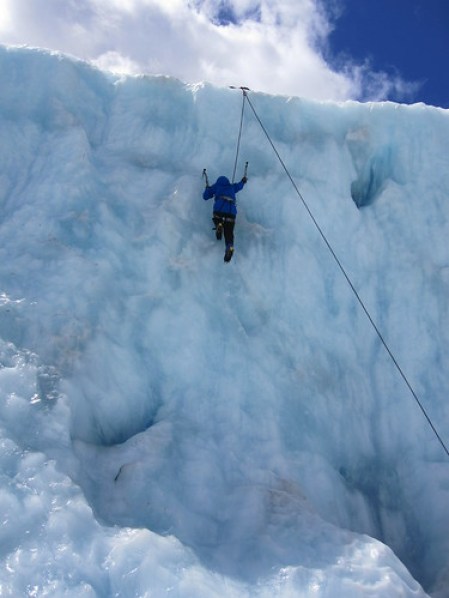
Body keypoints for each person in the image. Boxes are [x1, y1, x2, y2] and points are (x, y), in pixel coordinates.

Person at [202, 174, 248, 262]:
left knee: (217, 218)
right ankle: (229, 246)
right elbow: (239, 186)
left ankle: (219, 224)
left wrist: (207, 188)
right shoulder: (231, 187)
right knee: (229, 231)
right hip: (231, 211)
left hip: (219, 208)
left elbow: (205, 197)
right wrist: (243, 181)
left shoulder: (216, 186)